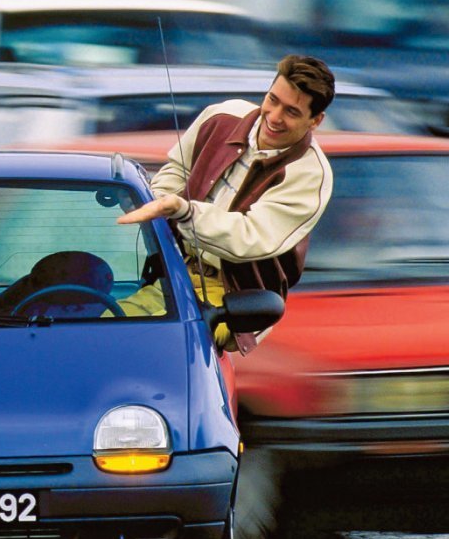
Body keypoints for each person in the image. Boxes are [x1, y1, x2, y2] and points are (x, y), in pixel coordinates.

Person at [114, 54, 336, 353]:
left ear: (316, 120)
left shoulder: (310, 174)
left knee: (163, 345)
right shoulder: (222, 115)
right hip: (173, 271)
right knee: (108, 327)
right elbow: (178, 169)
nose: (274, 116)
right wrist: (154, 201)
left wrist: (184, 211)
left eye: (292, 112)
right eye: (272, 100)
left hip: (234, 297)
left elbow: (249, 238)